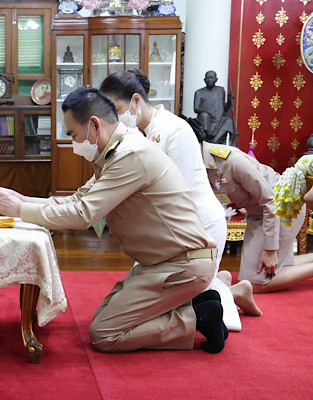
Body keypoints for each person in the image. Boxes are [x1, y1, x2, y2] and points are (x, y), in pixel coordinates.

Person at [0, 86, 227, 353]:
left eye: (73, 134)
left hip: (181, 265)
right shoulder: (115, 152)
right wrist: (22, 200)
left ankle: (198, 318)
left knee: (105, 334)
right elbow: (76, 200)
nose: (73, 142)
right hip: (160, 262)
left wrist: (19, 209)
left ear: (94, 125)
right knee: (103, 316)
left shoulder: (129, 155)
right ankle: (197, 304)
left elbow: (83, 214)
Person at [100, 69, 262, 321]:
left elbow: (176, 196)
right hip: (166, 230)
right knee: (144, 301)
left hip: (197, 228)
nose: (115, 119)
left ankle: (227, 293)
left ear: (135, 101)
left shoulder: (174, 130)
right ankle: (224, 286)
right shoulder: (137, 134)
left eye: (117, 110)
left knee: (172, 312)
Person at [201, 141, 313, 293]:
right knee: (255, 273)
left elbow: (270, 200)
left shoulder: (230, 160)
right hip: (257, 213)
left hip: (283, 207)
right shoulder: (196, 165)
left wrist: (270, 249)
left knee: (256, 282)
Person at [194, 71, 235, 144]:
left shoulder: (220, 90)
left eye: (211, 78)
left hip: (218, 119)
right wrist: (208, 112)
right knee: (204, 115)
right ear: (204, 80)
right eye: (207, 78)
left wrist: (229, 100)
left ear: (216, 79)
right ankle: (205, 139)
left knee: (228, 121)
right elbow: (196, 108)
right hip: (207, 119)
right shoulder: (199, 92)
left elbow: (225, 108)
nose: (209, 80)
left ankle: (215, 140)